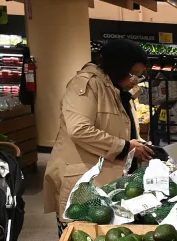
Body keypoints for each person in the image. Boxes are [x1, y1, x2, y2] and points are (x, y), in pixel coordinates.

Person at [44, 39, 154, 225]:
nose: (135, 80)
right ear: (117, 67)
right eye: (133, 74)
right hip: (85, 181)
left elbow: (118, 127)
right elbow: (79, 130)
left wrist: (137, 143)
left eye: (139, 75)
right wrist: (125, 146)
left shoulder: (117, 90)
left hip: (109, 178)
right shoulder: (87, 85)